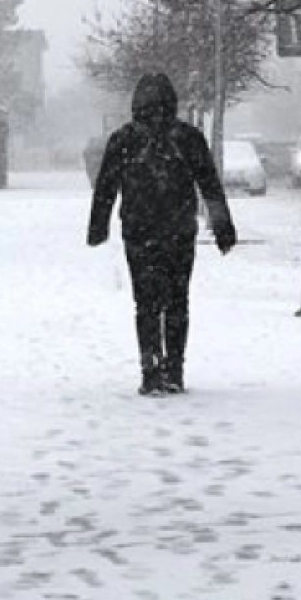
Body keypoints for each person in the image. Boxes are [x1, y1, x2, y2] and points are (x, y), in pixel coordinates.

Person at [88, 72, 236, 395]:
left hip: (139, 232)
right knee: (177, 302)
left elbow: (106, 188)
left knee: (146, 303)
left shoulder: (123, 140)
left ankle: (151, 369)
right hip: (178, 231)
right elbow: (209, 183)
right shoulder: (188, 138)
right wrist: (223, 226)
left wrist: (98, 227)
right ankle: (175, 369)